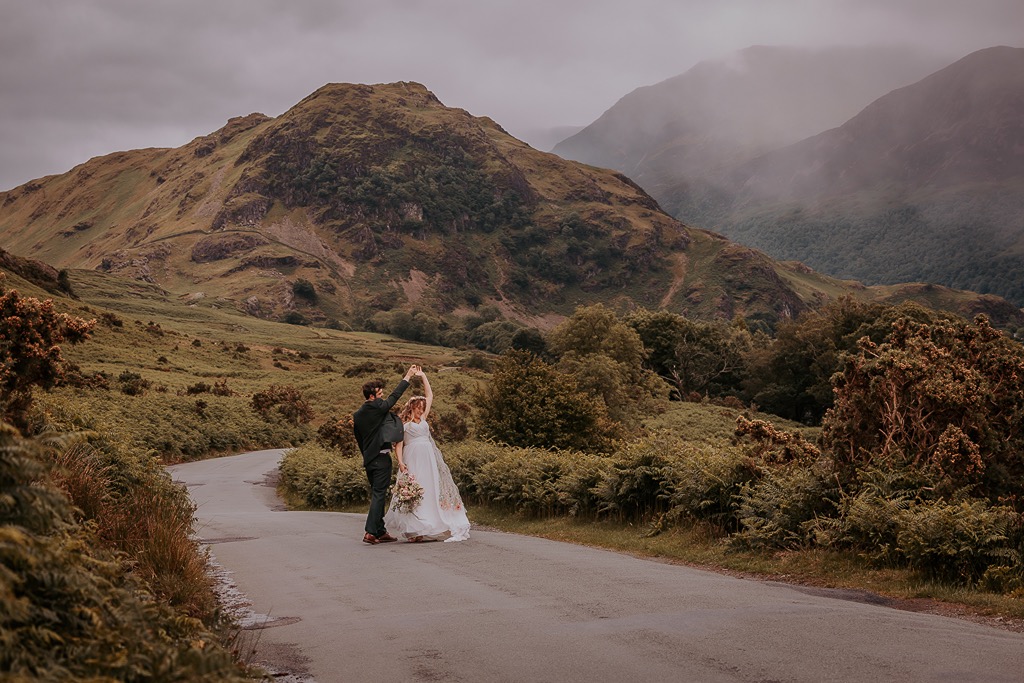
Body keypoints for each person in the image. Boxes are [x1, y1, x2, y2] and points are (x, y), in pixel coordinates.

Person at [384, 369, 471, 542]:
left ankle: (428, 524)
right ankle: (414, 530)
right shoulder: (404, 424)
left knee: (429, 489)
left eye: (422, 408)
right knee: (414, 490)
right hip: (412, 458)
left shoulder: (424, 418)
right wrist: (400, 462)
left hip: (427, 457)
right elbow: (399, 445)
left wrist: (423, 376)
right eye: (418, 408)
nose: (421, 410)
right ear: (412, 408)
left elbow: (429, 395)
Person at [353, 364, 419, 545]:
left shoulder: (358, 415)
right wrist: (408, 376)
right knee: (379, 494)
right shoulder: (378, 407)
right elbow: (394, 397)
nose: (383, 398)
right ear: (372, 397)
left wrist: (367, 455)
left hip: (369, 459)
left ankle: (380, 531)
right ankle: (370, 532)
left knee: (378, 493)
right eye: (380, 395)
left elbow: (359, 439)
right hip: (381, 459)